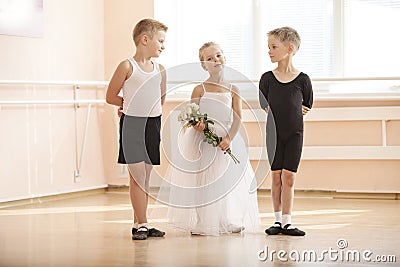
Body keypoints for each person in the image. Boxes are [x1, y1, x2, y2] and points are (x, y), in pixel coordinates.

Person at [162, 42, 260, 236]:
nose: (215, 60)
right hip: (202, 139)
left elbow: (237, 116)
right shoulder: (200, 89)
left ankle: (225, 220)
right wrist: (197, 124)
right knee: (202, 179)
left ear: (225, 58)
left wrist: (229, 138)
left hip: (225, 138)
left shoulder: (233, 89)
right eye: (209, 58)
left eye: (218, 55)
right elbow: (193, 114)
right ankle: (202, 221)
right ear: (203, 65)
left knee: (224, 181)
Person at [106, 18, 168, 240]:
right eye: (160, 41)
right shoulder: (126, 66)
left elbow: (161, 98)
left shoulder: (160, 69)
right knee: (137, 177)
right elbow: (110, 96)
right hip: (132, 124)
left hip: (153, 124)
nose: (163, 45)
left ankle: (139, 222)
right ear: (145, 39)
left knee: (145, 177)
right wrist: (126, 106)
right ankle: (142, 223)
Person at [258, 27, 313, 236]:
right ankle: (277, 220)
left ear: (289, 48)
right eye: (268, 47)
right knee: (276, 177)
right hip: (274, 134)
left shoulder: (303, 80)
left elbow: (307, 104)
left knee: (289, 176)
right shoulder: (267, 79)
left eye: (274, 47)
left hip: (295, 134)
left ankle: (288, 222)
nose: (269, 51)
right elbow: (266, 104)